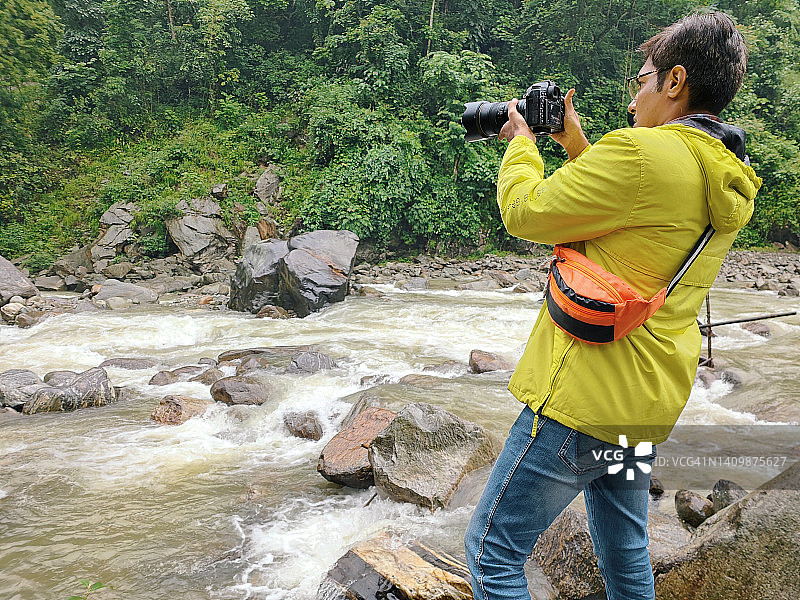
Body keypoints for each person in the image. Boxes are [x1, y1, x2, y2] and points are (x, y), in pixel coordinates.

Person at [464, 11, 761, 600]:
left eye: (642, 79)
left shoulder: (642, 153)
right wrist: (575, 145)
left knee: (492, 554)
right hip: (642, 405)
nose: (632, 98)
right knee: (626, 561)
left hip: (582, 399)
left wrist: (522, 145)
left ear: (674, 81)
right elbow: (632, 218)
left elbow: (526, 212)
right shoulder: (727, 172)